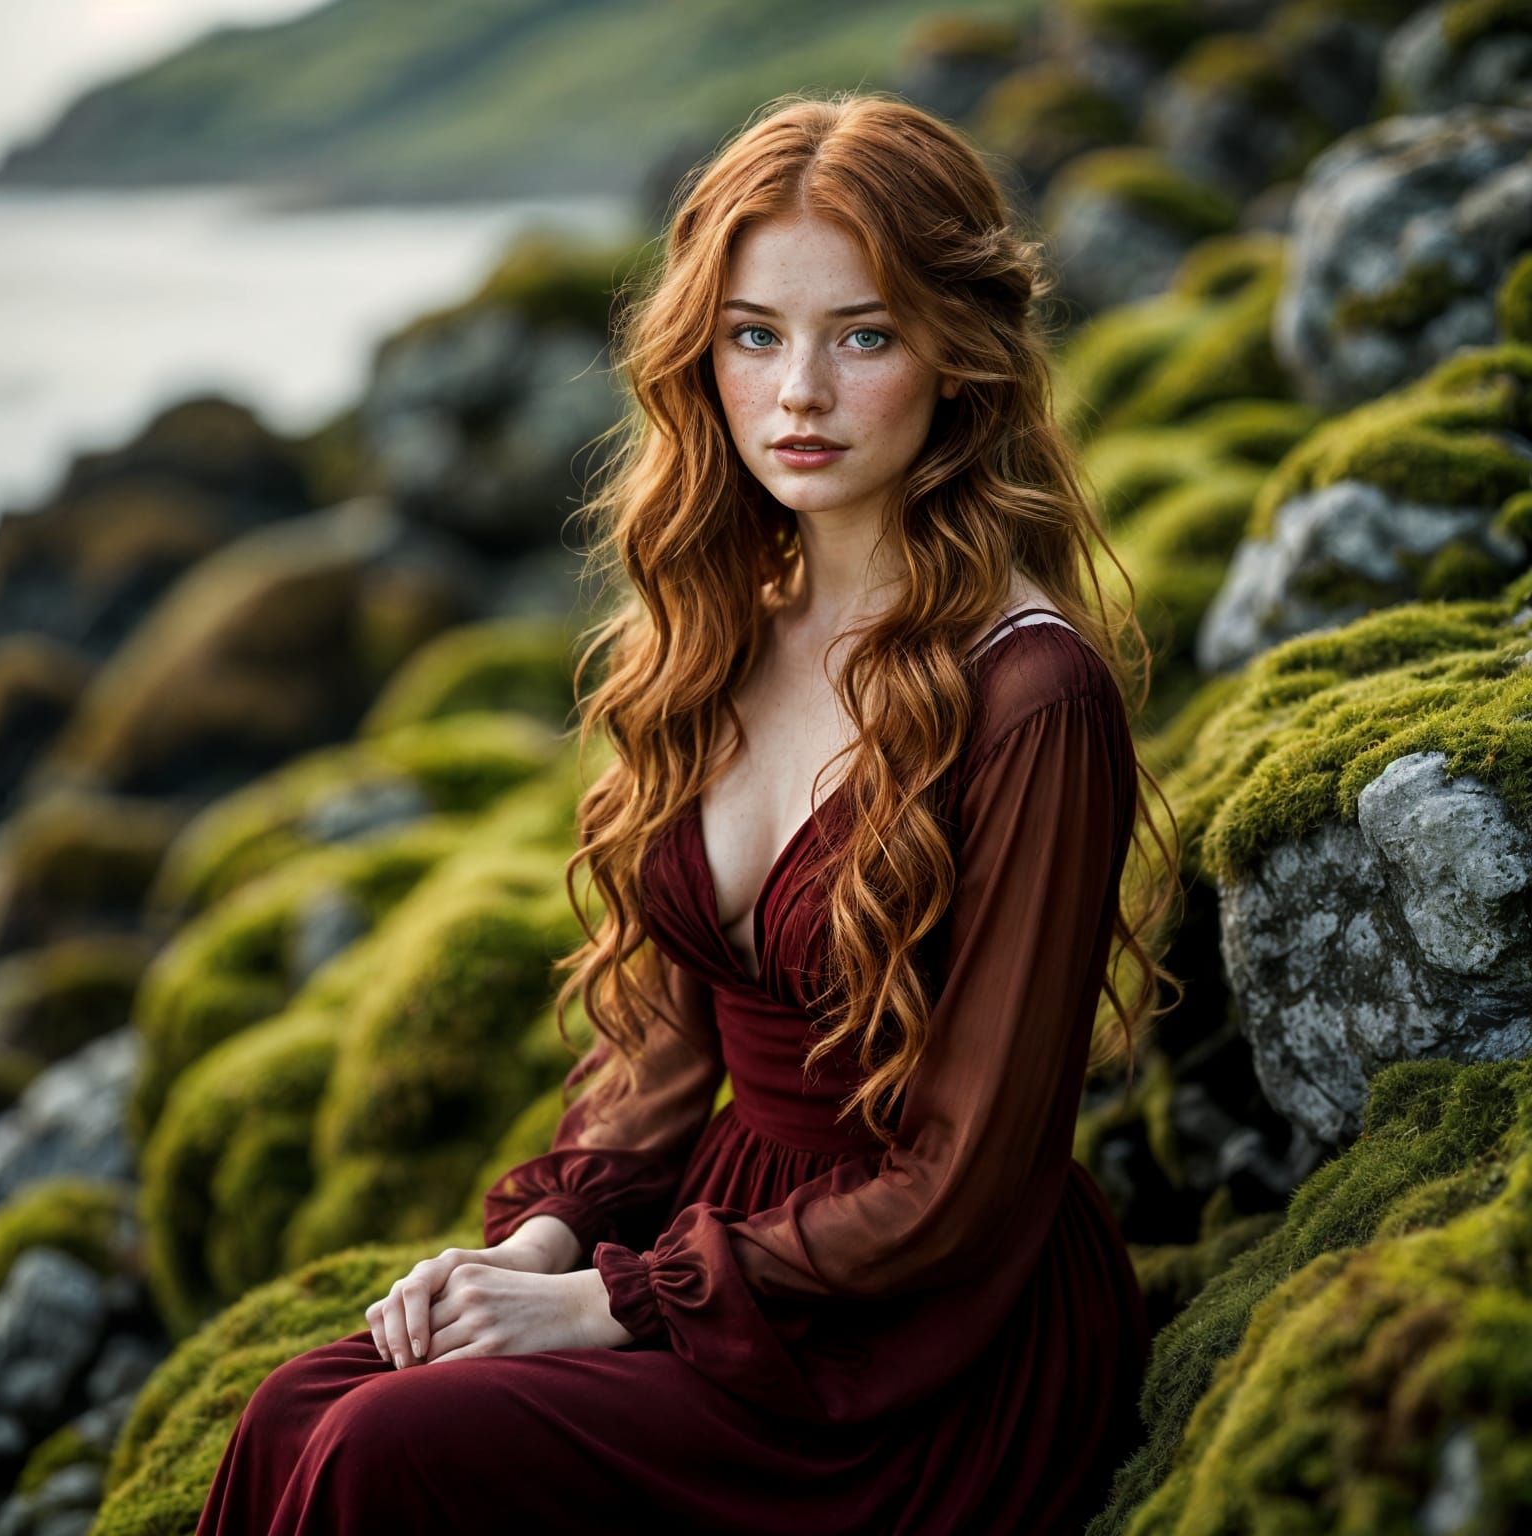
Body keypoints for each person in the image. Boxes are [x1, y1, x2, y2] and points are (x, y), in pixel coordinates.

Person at [195, 88, 1182, 1536]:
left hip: (922, 1332)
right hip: (718, 1246)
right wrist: (544, 1248)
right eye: (754, 336)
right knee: (295, 1410)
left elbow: (965, 1185)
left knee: (387, 1455)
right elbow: (660, 1066)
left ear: (957, 358)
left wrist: (612, 1306)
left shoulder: (1035, 697)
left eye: (865, 335)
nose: (800, 396)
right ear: (700, 356)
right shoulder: (723, 634)